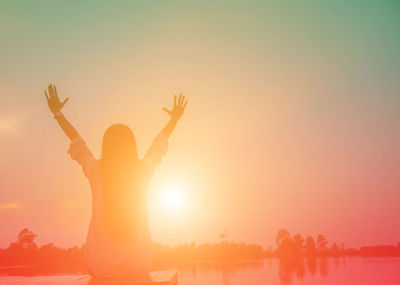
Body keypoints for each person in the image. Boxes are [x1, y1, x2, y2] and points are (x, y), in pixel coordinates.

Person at [44, 84, 187, 278]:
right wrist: (174, 120)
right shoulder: (141, 171)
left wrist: (58, 114)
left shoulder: (96, 172)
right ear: (132, 146)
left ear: (106, 147)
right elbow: (158, 145)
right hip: (139, 263)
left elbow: (77, 142)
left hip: (102, 268)